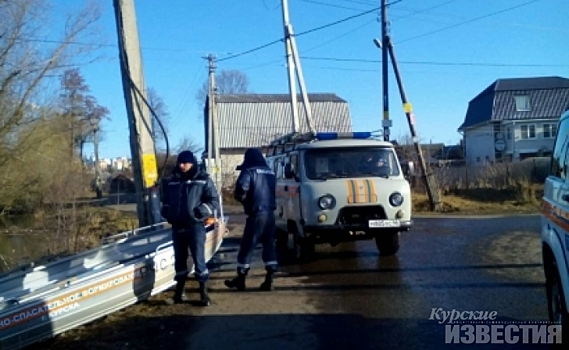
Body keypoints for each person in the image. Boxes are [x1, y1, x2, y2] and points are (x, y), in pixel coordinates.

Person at [160, 150, 220, 306]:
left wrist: (200, 211)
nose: (182, 166)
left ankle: (203, 294)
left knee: (199, 260)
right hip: (177, 226)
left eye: (185, 163)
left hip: (195, 226)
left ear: (192, 163)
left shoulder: (203, 179)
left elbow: (213, 200)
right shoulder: (172, 180)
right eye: (180, 162)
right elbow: (166, 199)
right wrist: (166, 210)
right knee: (179, 261)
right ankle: (179, 293)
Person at [225, 148, 278, 291]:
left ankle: (241, 280)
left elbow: (242, 187)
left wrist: (242, 199)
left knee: (248, 246)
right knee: (269, 245)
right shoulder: (271, 172)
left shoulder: (249, 171)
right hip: (270, 214)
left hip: (256, 214)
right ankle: (269, 280)